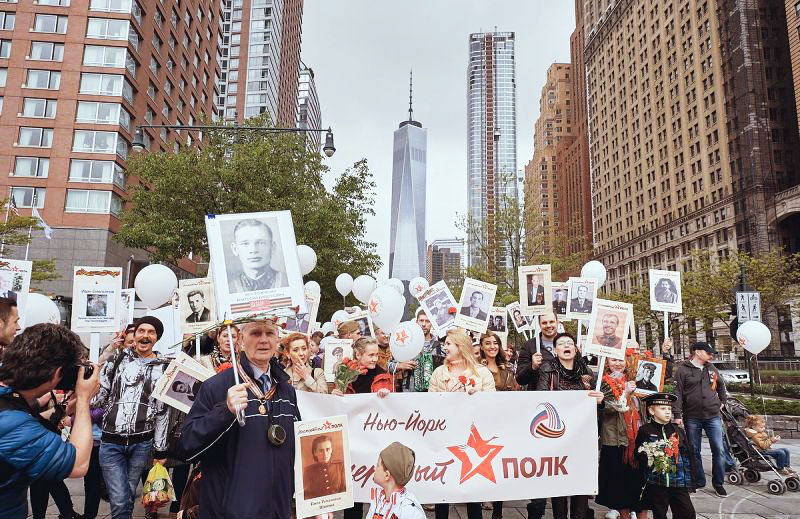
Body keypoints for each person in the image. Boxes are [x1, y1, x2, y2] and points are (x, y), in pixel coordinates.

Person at [178, 319, 300, 519]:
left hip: (278, 509)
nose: (263, 340)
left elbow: (297, 450)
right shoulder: (216, 386)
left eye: (269, 333)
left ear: (278, 339)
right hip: (230, 510)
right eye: (255, 333)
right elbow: (187, 446)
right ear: (241, 341)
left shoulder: (286, 389)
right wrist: (225, 412)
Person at [0, 324, 99, 519]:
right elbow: (77, 464)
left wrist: (64, 408)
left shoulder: (10, 400)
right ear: (57, 373)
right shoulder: (11, 422)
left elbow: (27, 423)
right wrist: (83, 400)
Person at [92, 316, 171, 519]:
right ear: (134, 335)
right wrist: (93, 374)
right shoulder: (116, 361)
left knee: (126, 498)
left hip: (141, 444)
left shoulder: (165, 368)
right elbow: (98, 398)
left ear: (157, 338)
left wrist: (161, 449)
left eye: (151, 332)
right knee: (119, 499)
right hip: (110, 442)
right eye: (141, 331)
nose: (145, 335)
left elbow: (163, 411)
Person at [536, 333, 604, 519]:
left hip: (582, 436)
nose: (566, 346)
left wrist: (600, 401)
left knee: (580, 481)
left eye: (569, 343)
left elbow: (597, 407)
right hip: (558, 434)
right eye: (561, 343)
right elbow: (541, 398)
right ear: (556, 350)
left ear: (575, 349)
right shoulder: (547, 369)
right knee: (559, 480)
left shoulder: (588, 374)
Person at [428, 329, 495, 519]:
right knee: (444, 487)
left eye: (449, 343)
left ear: (460, 347)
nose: (445, 346)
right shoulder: (438, 372)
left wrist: (478, 398)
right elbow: (429, 404)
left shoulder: (482, 373)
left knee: (472, 487)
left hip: (473, 440)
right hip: (445, 437)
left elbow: (493, 405)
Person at [331, 337, 392, 519]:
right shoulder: (345, 376)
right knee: (354, 485)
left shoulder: (384, 376)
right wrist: (336, 394)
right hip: (352, 438)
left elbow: (391, 410)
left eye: (376, 355)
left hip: (374, 438)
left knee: (376, 484)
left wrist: (387, 397)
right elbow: (337, 405)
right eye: (370, 355)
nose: (375, 359)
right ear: (358, 354)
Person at [673, 342, 728, 497]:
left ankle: (718, 483)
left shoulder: (711, 368)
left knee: (719, 449)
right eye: (708, 352)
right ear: (697, 352)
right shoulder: (683, 370)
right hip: (692, 417)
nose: (711, 356)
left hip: (713, 416)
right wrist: (677, 415)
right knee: (694, 450)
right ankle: (699, 480)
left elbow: (721, 385)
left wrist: (723, 401)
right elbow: (677, 393)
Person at [596, 356, 647, 519]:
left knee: (636, 481)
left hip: (636, 436)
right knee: (618, 481)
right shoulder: (602, 382)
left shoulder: (635, 380)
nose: (617, 364)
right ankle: (620, 511)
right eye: (613, 360)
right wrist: (625, 393)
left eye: (621, 360)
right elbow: (607, 409)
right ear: (606, 363)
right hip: (615, 438)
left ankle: (635, 509)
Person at [636, 393, 697, 519]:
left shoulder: (677, 430)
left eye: (669, 409)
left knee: (687, 513)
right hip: (657, 484)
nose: (668, 412)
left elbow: (687, 456)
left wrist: (690, 480)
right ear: (652, 410)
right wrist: (649, 455)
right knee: (659, 514)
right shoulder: (645, 430)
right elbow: (638, 453)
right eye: (663, 409)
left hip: (678, 482)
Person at [479, 331, 517, 519]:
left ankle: (498, 512)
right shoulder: (476, 369)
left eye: (495, 343)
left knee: (499, 468)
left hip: (502, 424)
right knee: (481, 467)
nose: (492, 346)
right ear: (482, 347)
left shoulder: (508, 369)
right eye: (488, 343)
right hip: (481, 424)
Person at [366, 442, 426, 519]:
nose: (374, 468)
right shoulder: (379, 500)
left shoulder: (408, 509)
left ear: (387, 475)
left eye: (377, 465)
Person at [227, 218, 288, 293]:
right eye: (245, 243)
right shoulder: (229, 289)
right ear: (235, 249)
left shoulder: (288, 281)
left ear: (272, 247)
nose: (254, 250)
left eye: (261, 243)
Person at [398, 310, 443, 392]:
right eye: (421, 320)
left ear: (432, 323)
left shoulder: (440, 347)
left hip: (433, 392)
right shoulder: (407, 343)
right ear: (416, 322)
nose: (424, 324)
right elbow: (389, 365)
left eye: (427, 321)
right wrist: (400, 365)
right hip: (410, 392)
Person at [515, 312, 559, 392]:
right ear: (539, 324)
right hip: (538, 399)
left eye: (551, 322)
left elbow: (582, 372)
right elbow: (520, 380)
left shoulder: (568, 343)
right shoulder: (529, 346)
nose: (548, 325)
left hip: (565, 398)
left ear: (557, 322)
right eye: (544, 323)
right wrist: (532, 367)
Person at [303, 434, 346, 499]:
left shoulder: (340, 466)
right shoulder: (308, 471)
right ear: (315, 452)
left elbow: (345, 490)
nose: (325, 454)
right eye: (321, 451)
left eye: (327, 449)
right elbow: (307, 495)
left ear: (331, 450)